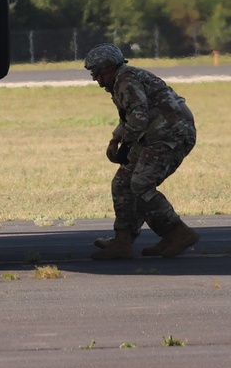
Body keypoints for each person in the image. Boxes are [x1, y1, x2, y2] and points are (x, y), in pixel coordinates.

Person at [84, 43, 198, 260]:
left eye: (96, 73)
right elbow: (129, 115)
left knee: (141, 184)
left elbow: (139, 116)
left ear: (107, 68)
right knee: (123, 183)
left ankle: (177, 233)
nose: (94, 80)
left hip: (170, 135)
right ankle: (122, 241)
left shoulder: (126, 80)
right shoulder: (123, 79)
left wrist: (125, 147)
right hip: (155, 134)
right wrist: (115, 139)